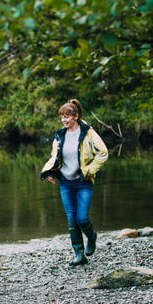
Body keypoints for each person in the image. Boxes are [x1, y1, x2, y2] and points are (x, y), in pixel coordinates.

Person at [41, 99, 108, 266]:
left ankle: (91, 237)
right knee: (72, 219)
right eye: (62, 117)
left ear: (76, 116)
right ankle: (79, 254)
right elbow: (55, 157)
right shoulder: (60, 135)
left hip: (83, 182)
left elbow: (103, 153)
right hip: (66, 183)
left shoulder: (87, 132)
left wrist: (89, 171)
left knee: (82, 218)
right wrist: (50, 172)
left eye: (67, 116)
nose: (64, 120)